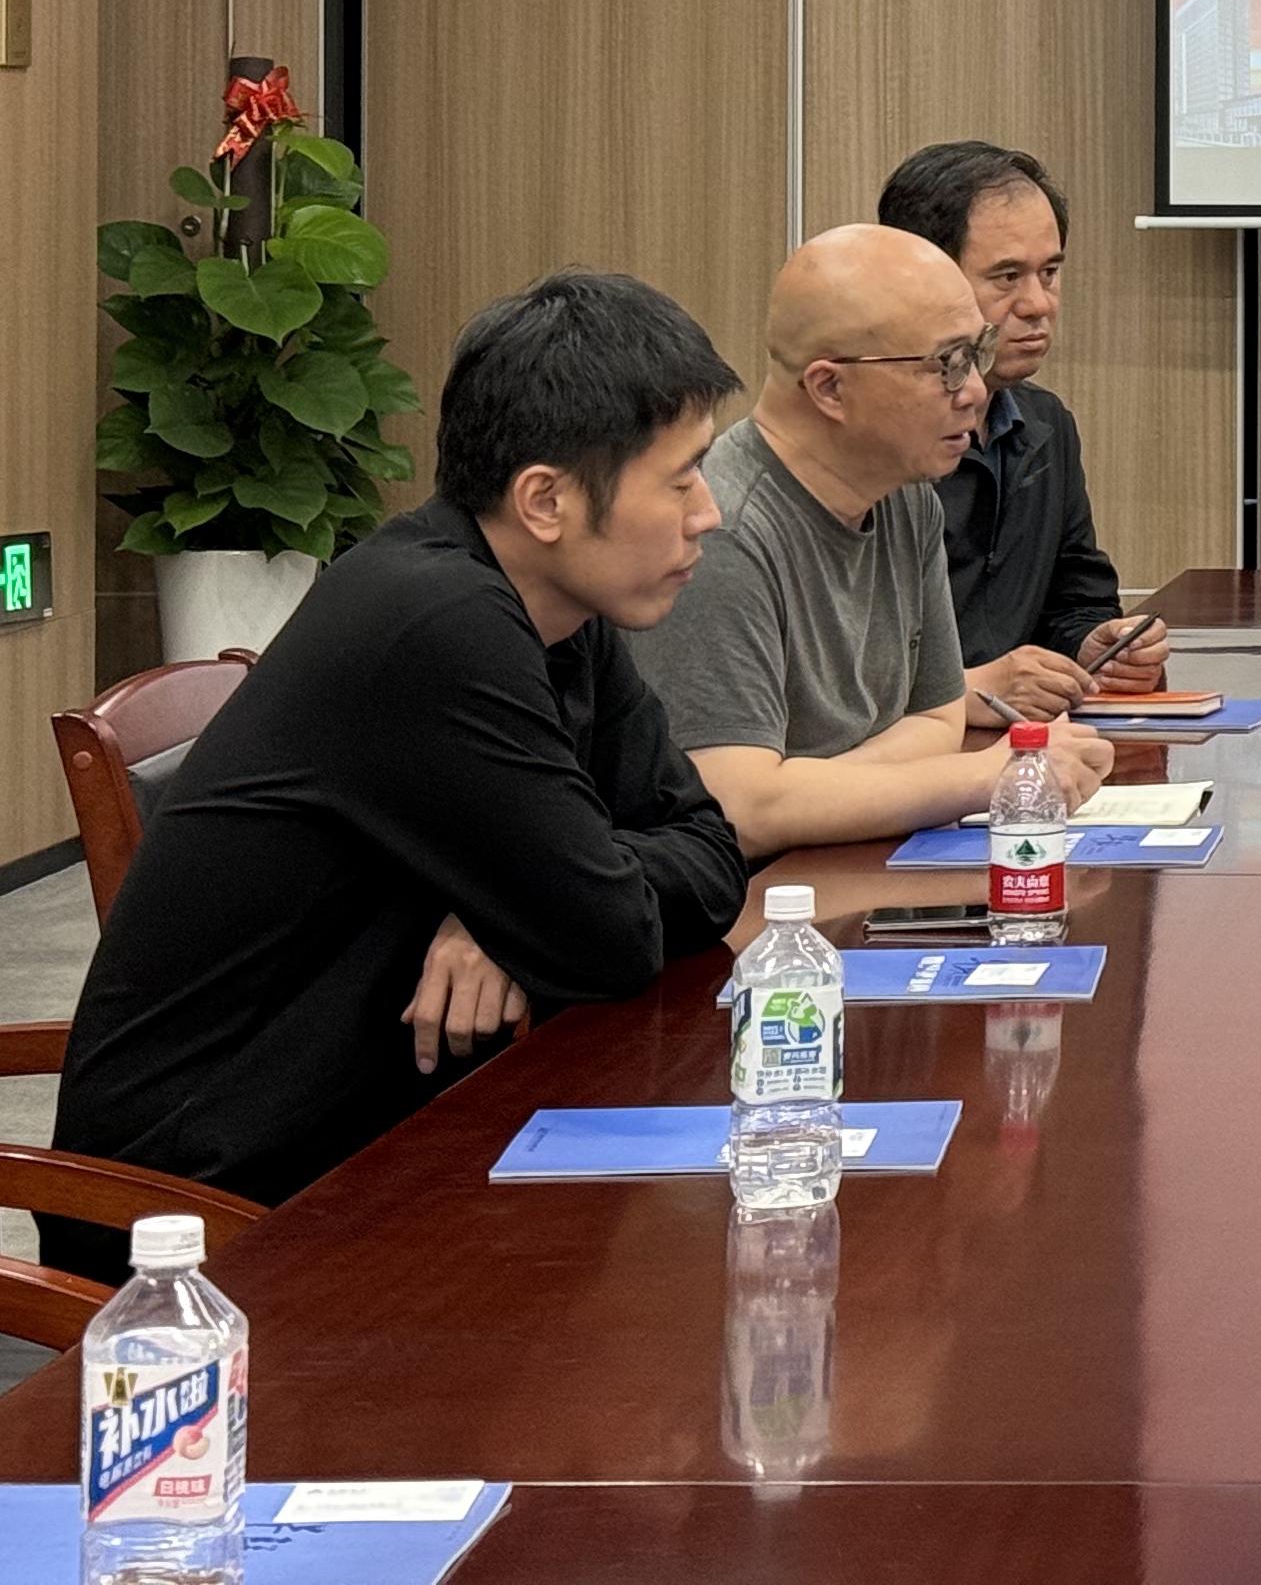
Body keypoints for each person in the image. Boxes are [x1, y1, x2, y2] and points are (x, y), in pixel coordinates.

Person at [48, 271, 754, 1269]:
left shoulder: (560, 611)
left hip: (375, 1131)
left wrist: (502, 913)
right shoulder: (435, 624)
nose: (708, 514)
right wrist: (540, 906)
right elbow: (614, 935)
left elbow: (710, 852)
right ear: (545, 500)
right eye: (681, 478)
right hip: (204, 1209)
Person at [629, 224, 1114, 856]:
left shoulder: (905, 495)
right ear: (830, 387)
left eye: (976, 353)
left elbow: (939, 718)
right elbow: (736, 810)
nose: (974, 391)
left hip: (859, 860)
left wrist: (802, 790)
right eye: (947, 364)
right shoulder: (720, 530)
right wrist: (988, 774)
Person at [874, 140, 1166, 729]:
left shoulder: (1047, 424)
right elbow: (842, 677)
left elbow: (1076, 600)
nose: (1037, 304)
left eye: (1049, 273)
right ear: (926, 278)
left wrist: (1095, 646)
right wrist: (978, 686)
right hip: (899, 753)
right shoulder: (874, 446)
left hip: (1026, 748)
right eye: (1007, 277)